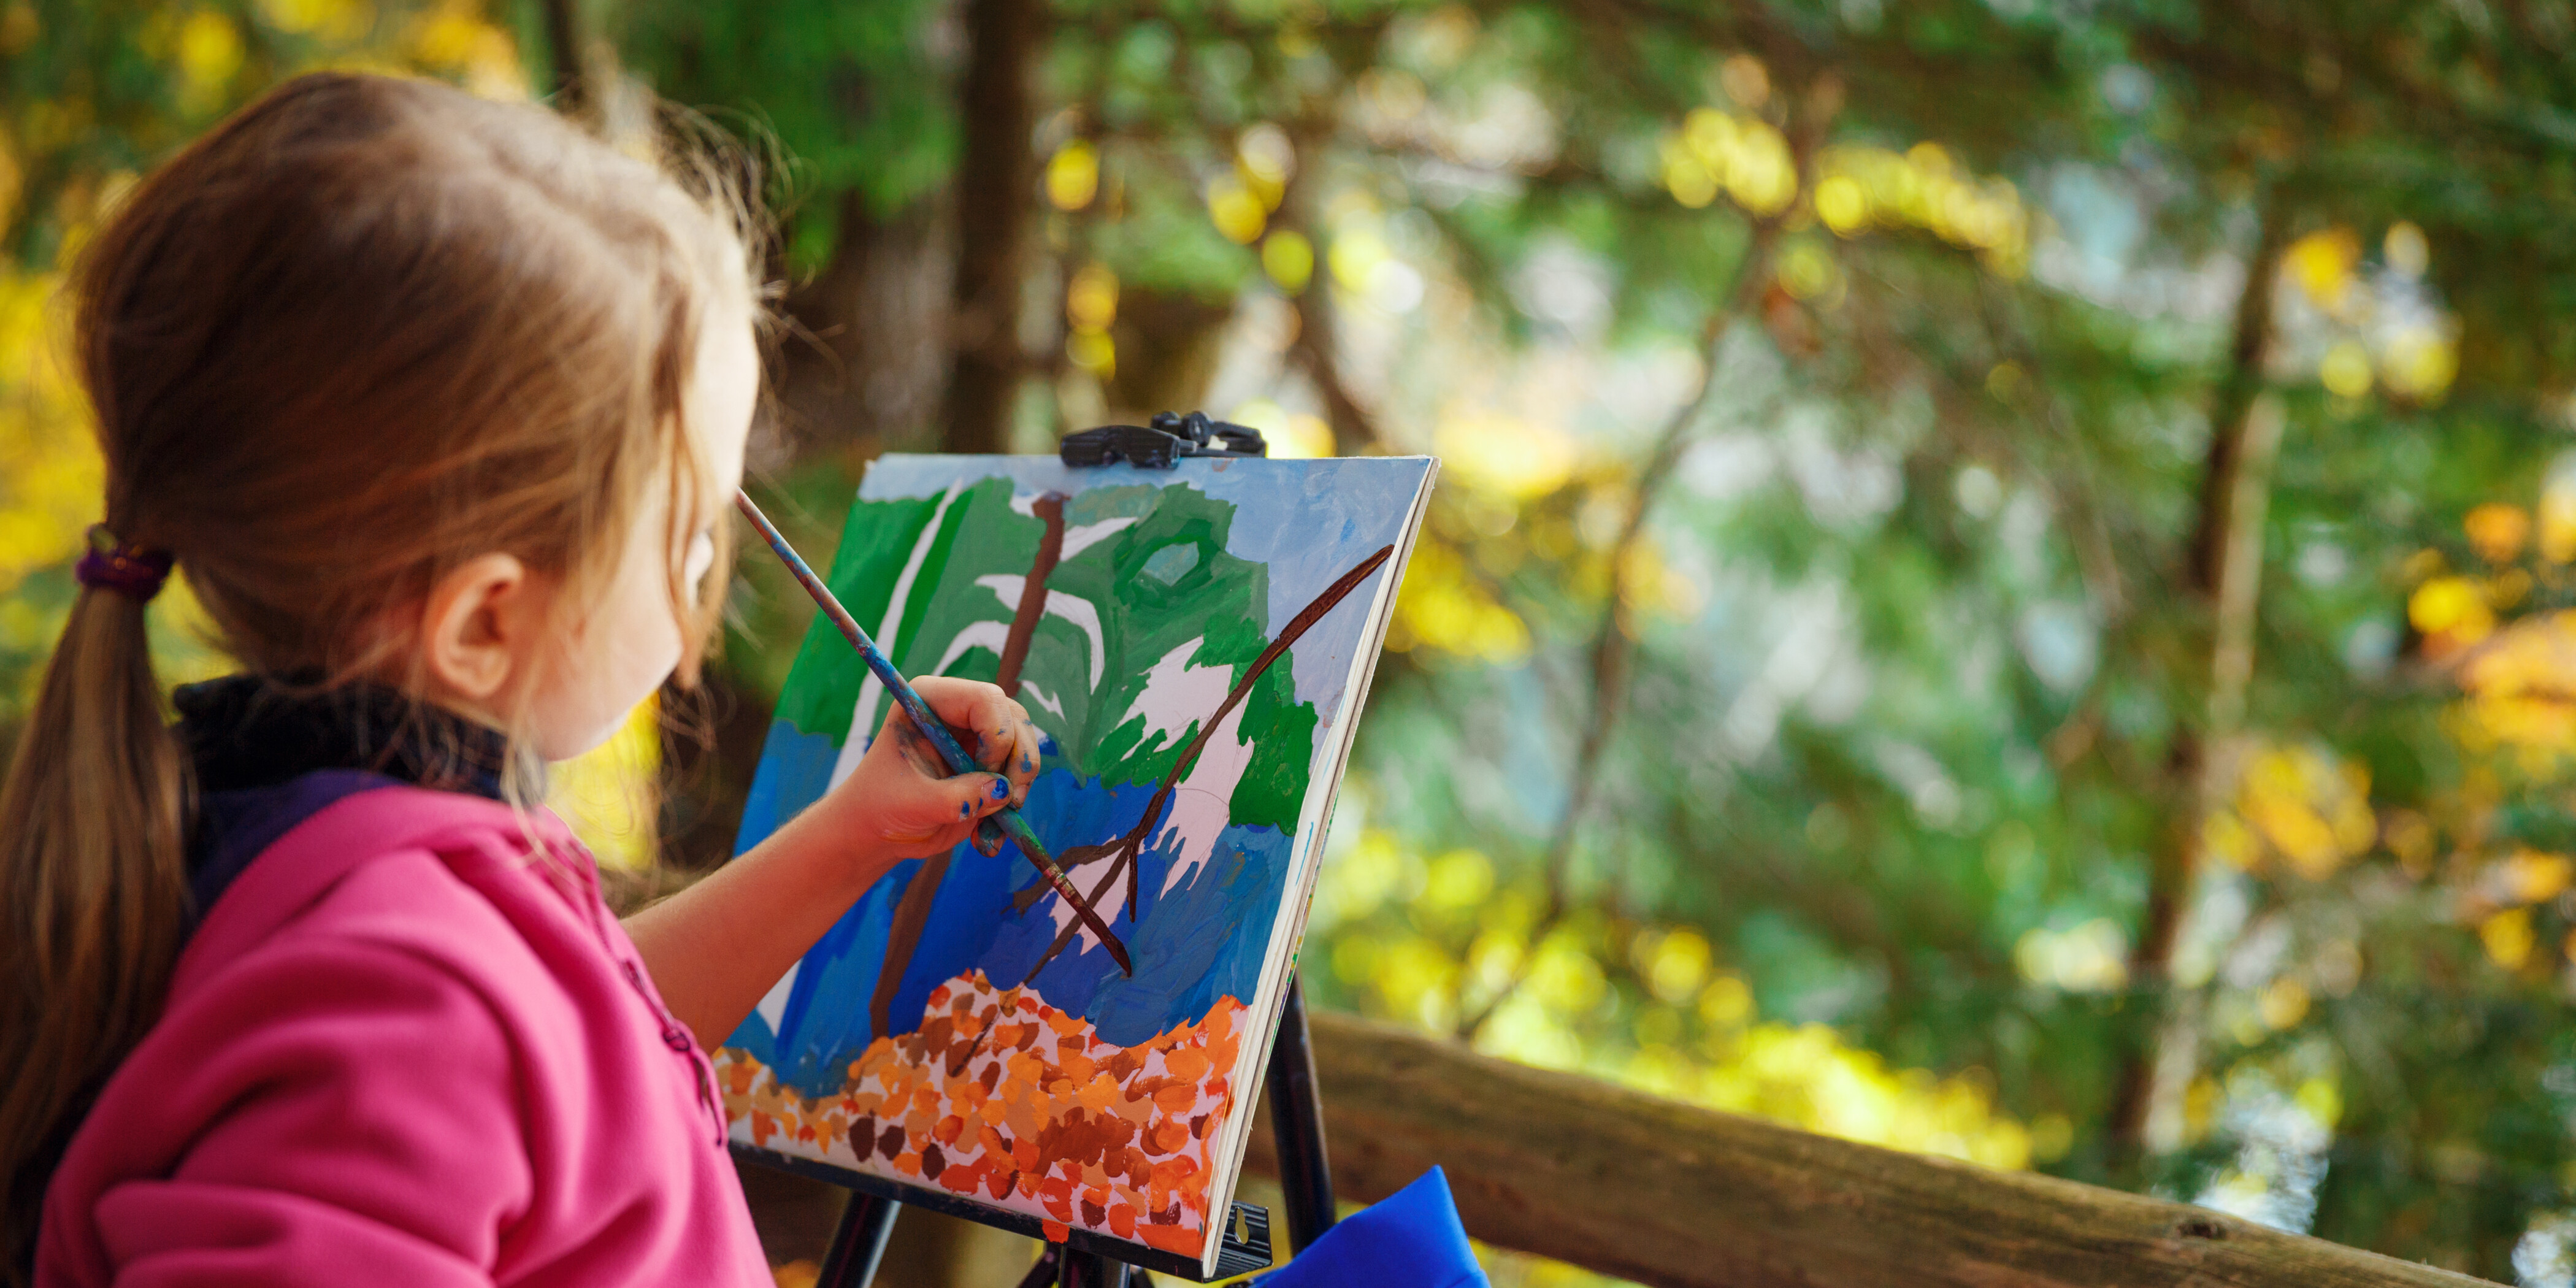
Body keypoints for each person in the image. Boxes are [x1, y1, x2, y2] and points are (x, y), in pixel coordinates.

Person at [0, 71, 1042, 1287]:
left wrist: (846, 840)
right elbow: (473, 1057)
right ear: (488, 620)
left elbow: (575, 1059)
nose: (716, 565)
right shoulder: (406, 996)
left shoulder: (328, 852)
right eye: (694, 526)